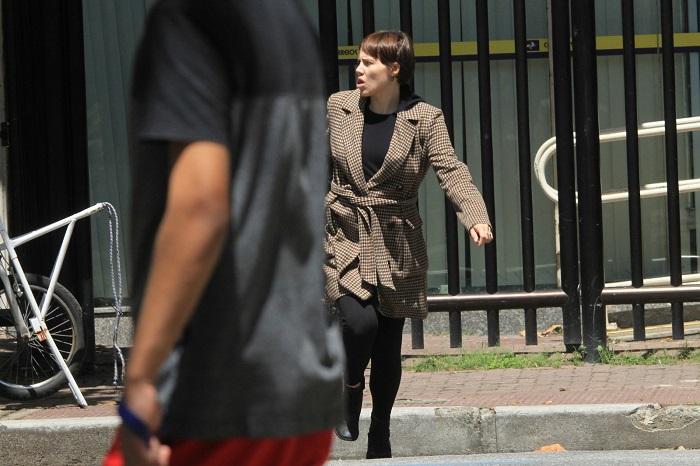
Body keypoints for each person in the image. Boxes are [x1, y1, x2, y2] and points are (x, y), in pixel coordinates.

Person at [103, 1, 344, 465]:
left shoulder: (188, 17)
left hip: (213, 395)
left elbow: (200, 206)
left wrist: (140, 381)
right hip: (299, 391)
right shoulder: (289, 19)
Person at [324, 30, 493, 459]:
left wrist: (474, 216)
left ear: (394, 69)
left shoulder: (425, 118)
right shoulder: (339, 107)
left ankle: (380, 430)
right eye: (358, 62)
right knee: (358, 324)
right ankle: (348, 387)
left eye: (368, 63)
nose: (358, 70)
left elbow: (451, 170)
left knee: (386, 345)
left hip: (398, 240)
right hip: (347, 230)